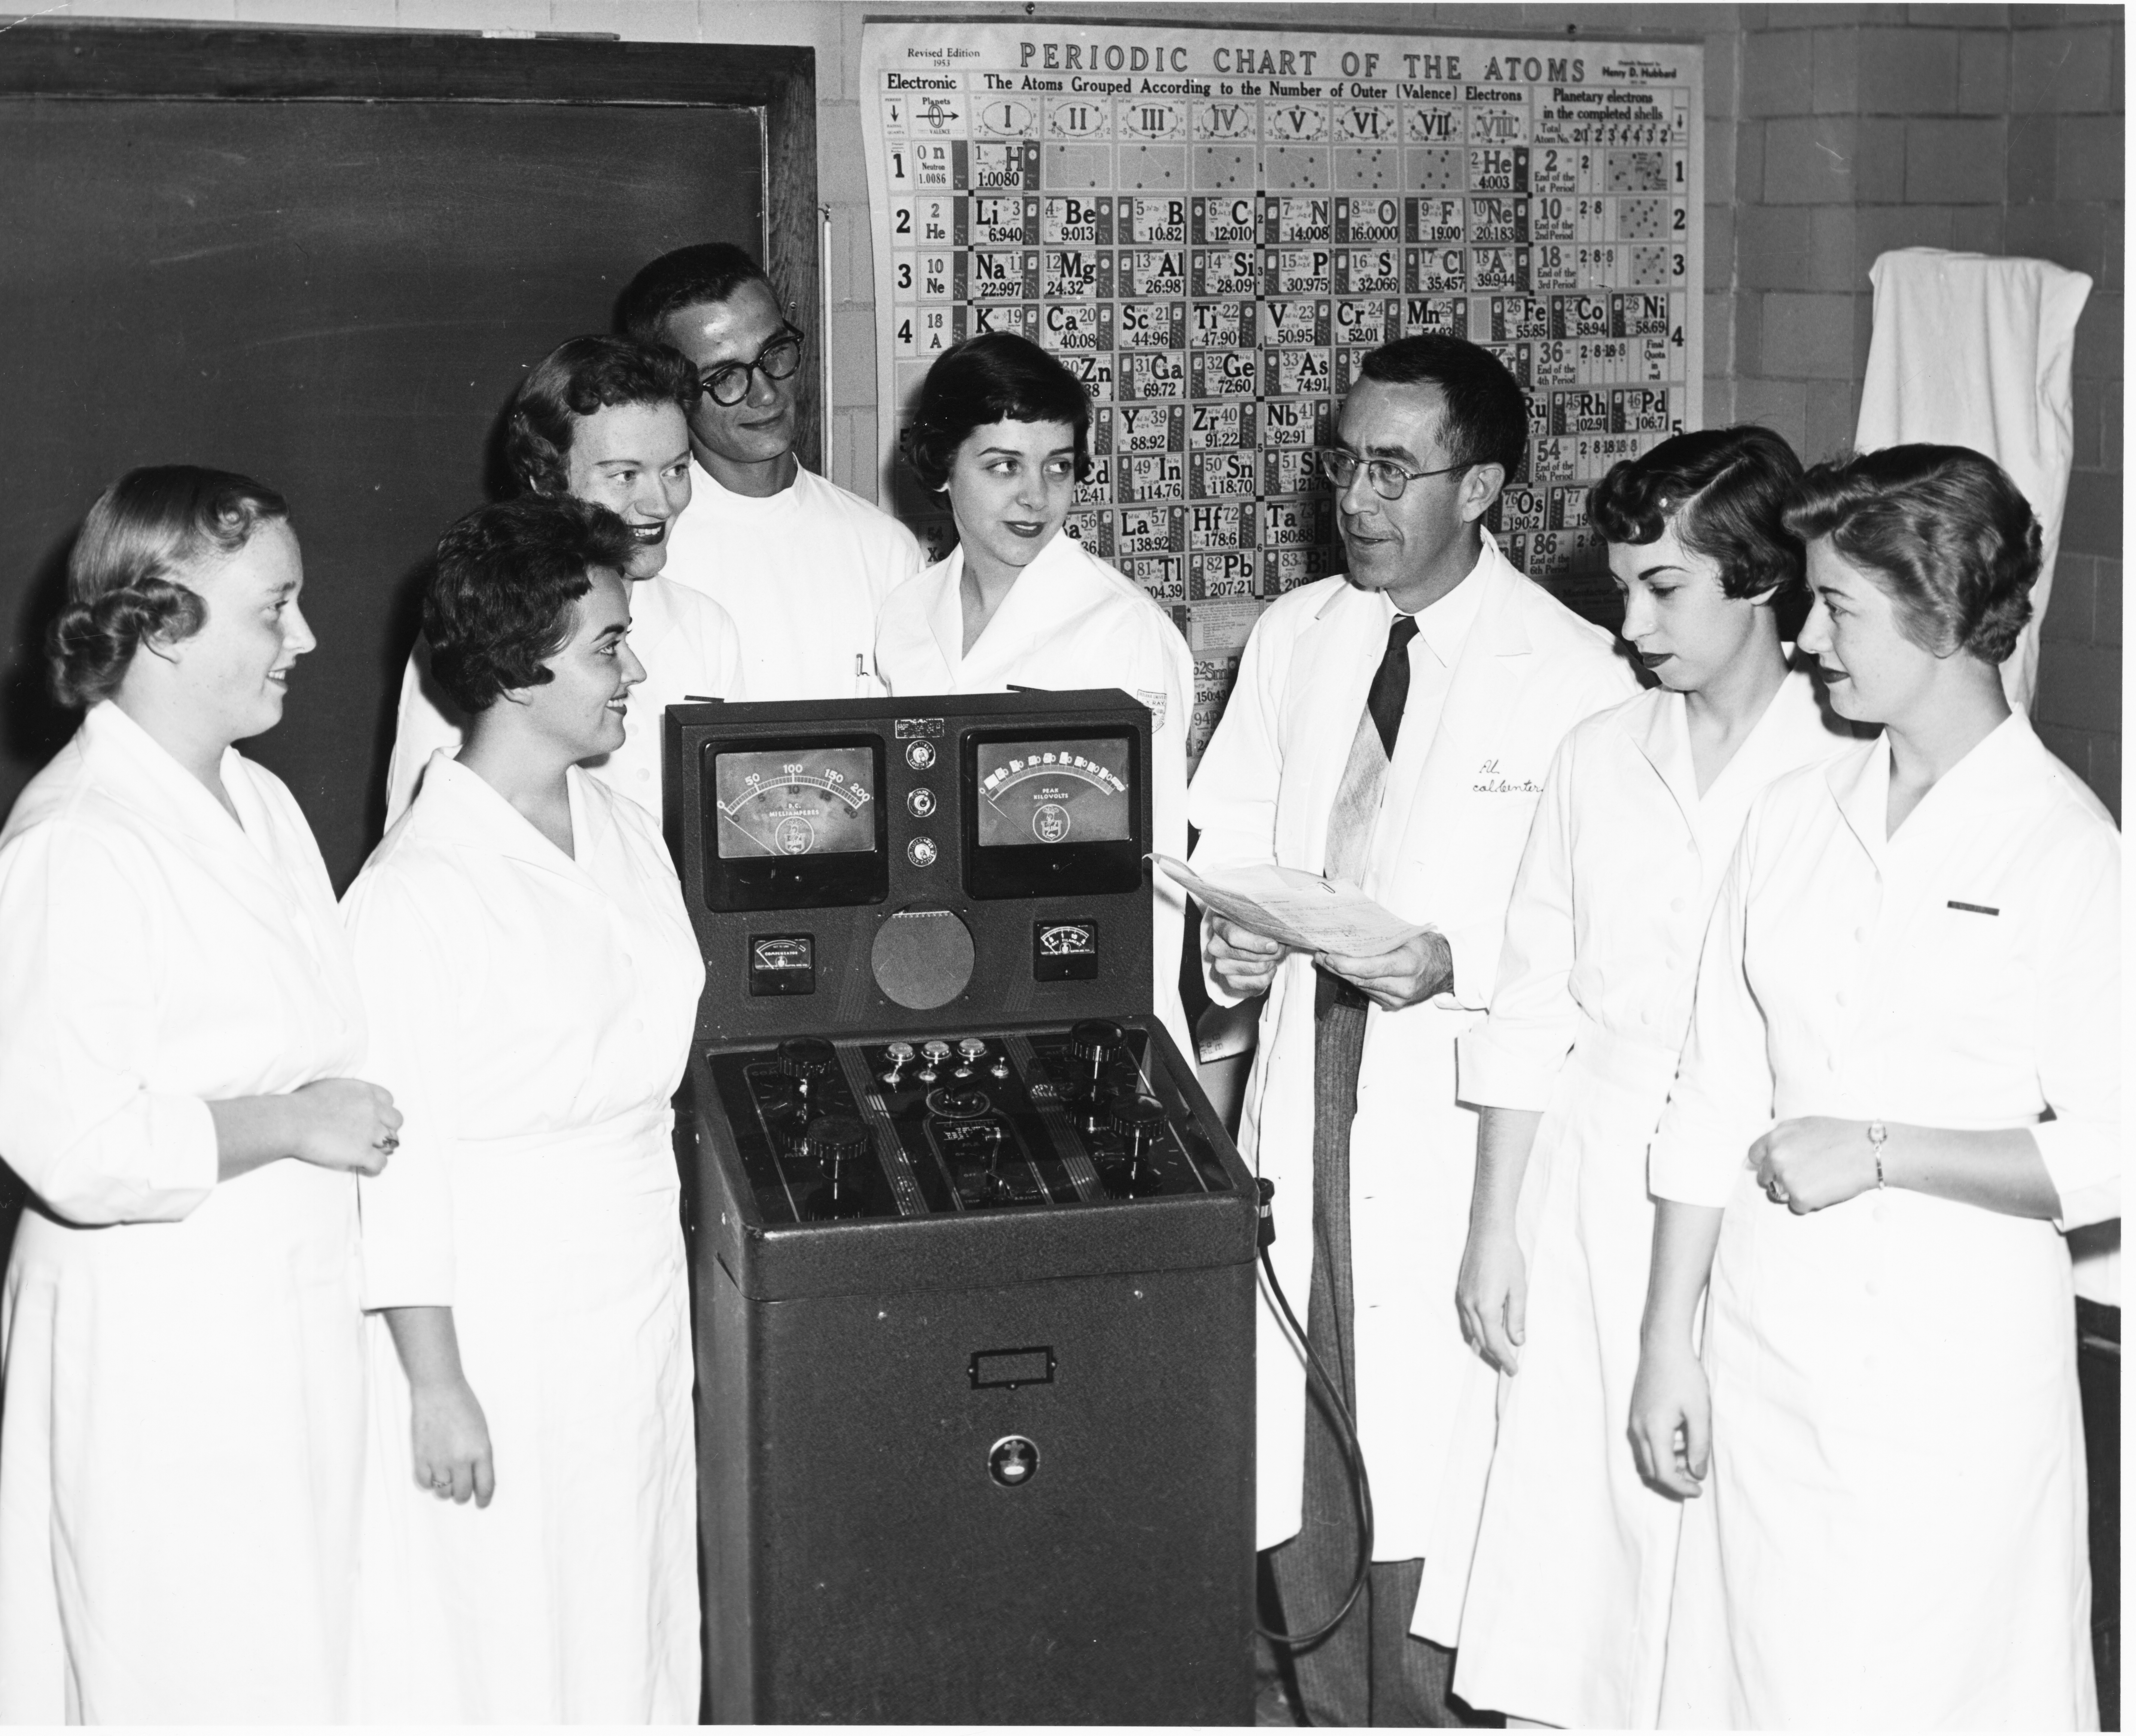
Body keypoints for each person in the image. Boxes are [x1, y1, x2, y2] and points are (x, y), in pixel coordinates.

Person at [1629, 445, 2117, 1729]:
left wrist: (1884, 1147)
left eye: (1835, 607)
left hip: (1954, 1387)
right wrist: (1665, 1341)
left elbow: (2112, 1151)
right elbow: (1712, 1090)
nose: (1802, 640)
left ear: (1938, 612)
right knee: (1762, 1685)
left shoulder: (2064, 846)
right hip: (1765, 1352)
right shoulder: (1792, 814)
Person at [1188, 336, 1636, 1724]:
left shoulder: (1576, 674)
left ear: (1480, 485)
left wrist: (1450, 957)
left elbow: (1602, 937)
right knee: (1309, 1417)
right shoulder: (1298, 633)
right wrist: (1230, 938)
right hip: (1310, 1070)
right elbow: (1236, 834)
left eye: (1394, 469)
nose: (1355, 499)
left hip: (1455, 1098)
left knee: (1442, 1457)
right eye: (1345, 463)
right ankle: (1327, 1704)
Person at [1410, 428, 1856, 1727]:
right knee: (1575, 1567)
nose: (1630, 623)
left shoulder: (1846, 761)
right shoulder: (1597, 752)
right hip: (1592, 1184)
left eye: (1663, 588)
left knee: (1734, 1562)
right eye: (1621, 589)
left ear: (1762, 577)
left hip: (1770, 1191)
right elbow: (1530, 1002)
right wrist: (1496, 1223)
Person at [0, 467, 401, 1721]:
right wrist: (291, 1121)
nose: (308, 636)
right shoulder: (76, 838)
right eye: (274, 607)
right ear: (164, 622)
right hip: (158, 1347)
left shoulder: (256, 796)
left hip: (277, 1327)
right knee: (174, 1674)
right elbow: (72, 1141)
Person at [346, 495, 705, 1721]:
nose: (634, 669)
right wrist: (436, 1382)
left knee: (631, 1603)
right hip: (498, 1324)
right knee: (506, 1620)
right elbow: (395, 1162)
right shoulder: (411, 893)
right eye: (609, 644)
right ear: (515, 668)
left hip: (635, 1298)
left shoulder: (624, 827)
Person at [875, 332, 1195, 1062]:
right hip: (932, 981)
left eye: (1058, 466)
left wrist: (1130, 1049)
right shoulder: (905, 613)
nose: (1036, 497)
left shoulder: (1120, 629)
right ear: (942, 465)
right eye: (1003, 466)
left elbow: (1152, 876)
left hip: (1076, 999)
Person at [383, 334, 743, 826]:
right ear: (546, 481)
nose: (661, 504)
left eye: (676, 470)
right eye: (625, 475)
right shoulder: (485, 626)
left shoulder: (706, 625)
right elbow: (423, 830)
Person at [617, 242, 922, 699]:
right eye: (724, 377)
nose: (765, 394)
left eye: (775, 352)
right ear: (670, 391)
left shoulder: (884, 548)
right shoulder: (643, 554)